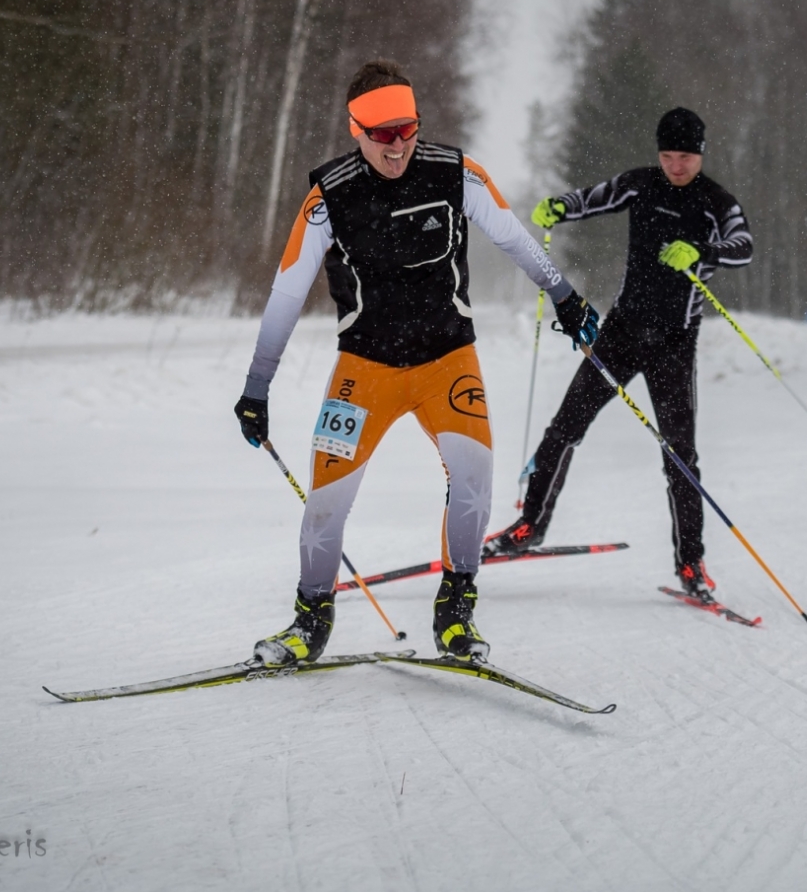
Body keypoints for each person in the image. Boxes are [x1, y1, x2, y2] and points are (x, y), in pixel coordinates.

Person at [233, 60, 598, 667]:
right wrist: (256, 389)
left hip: (446, 362)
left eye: (406, 129)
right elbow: (285, 296)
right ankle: (310, 622)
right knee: (326, 502)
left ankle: (455, 613)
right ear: (356, 129)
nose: (397, 146)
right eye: (381, 134)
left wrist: (564, 294)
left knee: (476, 483)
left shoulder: (455, 175)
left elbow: (512, 237)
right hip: (364, 371)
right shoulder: (328, 198)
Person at [481, 107, 753, 601]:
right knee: (565, 426)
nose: (675, 166)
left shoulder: (715, 201)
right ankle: (529, 527)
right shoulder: (641, 183)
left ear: (700, 154)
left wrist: (701, 252)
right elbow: (595, 199)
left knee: (680, 456)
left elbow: (743, 245)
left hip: (675, 341)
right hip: (623, 332)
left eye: (685, 157)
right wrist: (560, 206)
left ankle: (691, 564)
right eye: (668, 156)